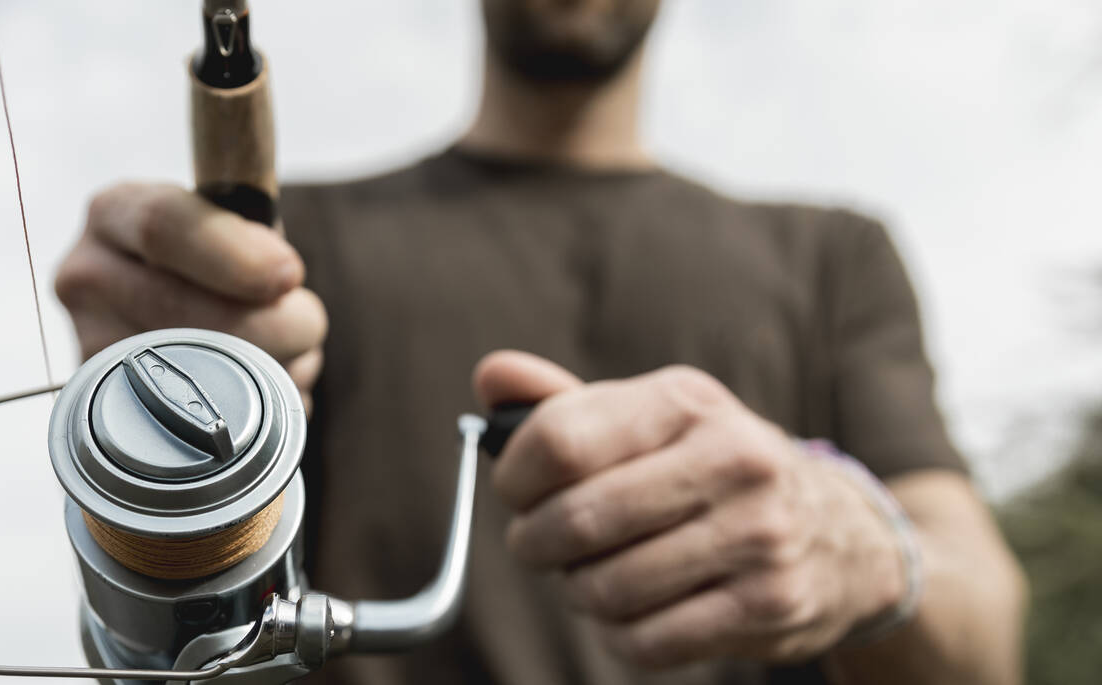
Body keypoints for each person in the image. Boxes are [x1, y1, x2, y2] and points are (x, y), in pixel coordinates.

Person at [53, 0, 1027, 682]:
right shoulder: (287, 249)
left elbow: (985, 631)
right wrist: (149, 497)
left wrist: (860, 550)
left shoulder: (835, 254)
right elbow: (189, 663)